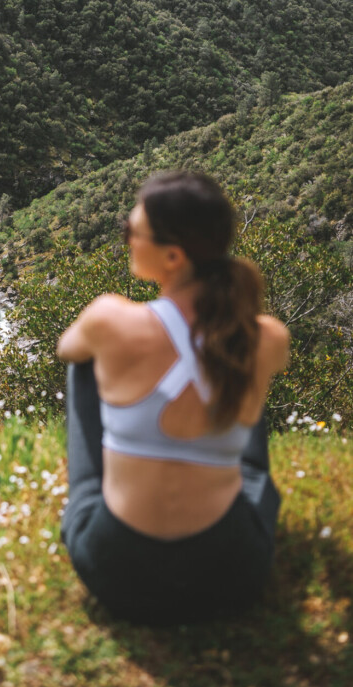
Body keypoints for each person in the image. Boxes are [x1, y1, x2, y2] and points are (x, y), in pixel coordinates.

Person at [56, 171, 289, 625]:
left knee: (84, 363)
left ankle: (97, 497)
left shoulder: (108, 319)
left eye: (131, 232)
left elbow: (68, 348)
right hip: (231, 577)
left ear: (173, 256)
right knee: (241, 376)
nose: (126, 239)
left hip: (116, 572)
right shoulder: (268, 338)